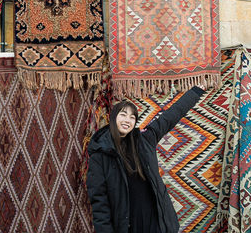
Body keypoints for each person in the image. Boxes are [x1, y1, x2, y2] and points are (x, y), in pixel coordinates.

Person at [86, 86, 205, 233]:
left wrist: (196, 91)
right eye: (123, 115)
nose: (127, 120)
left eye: (132, 117)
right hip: (127, 226)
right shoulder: (100, 155)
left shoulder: (145, 140)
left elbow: (170, 117)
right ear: (113, 117)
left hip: (157, 223)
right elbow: (100, 204)